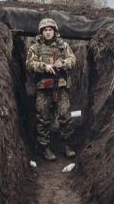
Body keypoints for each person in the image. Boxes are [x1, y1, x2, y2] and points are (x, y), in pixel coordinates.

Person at [26, 18, 77, 161]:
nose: (48, 32)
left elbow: (73, 60)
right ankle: (45, 147)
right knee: (43, 117)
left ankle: (67, 145)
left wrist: (63, 63)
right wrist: (44, 66)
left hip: (60, 85)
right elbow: (29, 64)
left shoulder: (63, 46)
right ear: (41, 32)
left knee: (65, 115)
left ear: (54, 31)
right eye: (45, 30)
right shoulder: (35, 48)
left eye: (50, 30)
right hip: (43, 87)